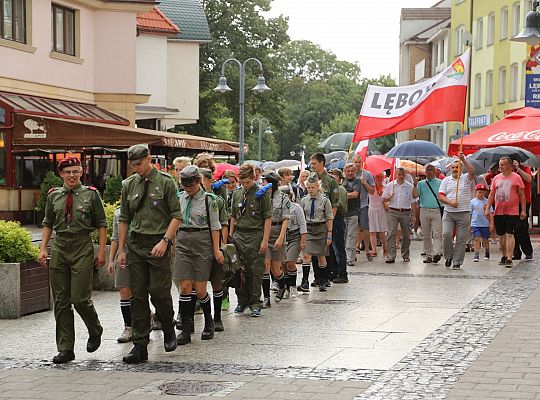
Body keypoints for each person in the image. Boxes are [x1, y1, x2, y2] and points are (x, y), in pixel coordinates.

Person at [38, 156, 107, 364]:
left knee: (79, 298)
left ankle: (95, 329)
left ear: (81, 173)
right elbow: (48, 223)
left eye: (75, 171)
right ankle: (66, 348)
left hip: (82, 247)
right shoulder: (54, 196)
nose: (71, 175)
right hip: (60, 247)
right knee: (61, 301)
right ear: (61, 174)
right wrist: (43, 249)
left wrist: (102, 252)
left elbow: (101, 224)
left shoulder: (91, 195)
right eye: (68, 172)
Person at [118, 144, 181, 364]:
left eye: (139, 163)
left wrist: (166, 240)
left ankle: (168, 325)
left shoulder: (166, 182)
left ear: (148, 159)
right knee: (137, 295)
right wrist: (122, 250)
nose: (135, 168)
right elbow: (124, 218)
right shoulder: (128, 185)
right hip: (136, 246)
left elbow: (176, 216)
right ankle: (140, 345)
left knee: (158, 291)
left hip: (158, 244)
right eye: (132, 164)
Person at [174, 166, 224, 345]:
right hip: (183, 242)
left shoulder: (208, 200)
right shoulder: (179, 197)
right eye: (184, 184)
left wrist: (217, 249)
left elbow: (215, 226)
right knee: (185, 287)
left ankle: (209, 322)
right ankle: (186, 330)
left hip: (203, 242)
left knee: (200, 289)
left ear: (198, 181)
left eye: (191, 184)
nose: (188, 188)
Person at [230, 163, 272, 317]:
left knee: (255, 270)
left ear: (254, 178)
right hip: (239, 235)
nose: (245, 185)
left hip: (256, 234)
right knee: (239, 269)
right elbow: (233, 216)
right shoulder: (237, 194)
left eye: (247, 182)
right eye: (242, 182)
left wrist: (265, 240)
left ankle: (255, 302)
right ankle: (242, 301)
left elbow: (267, 218)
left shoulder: (262, 193)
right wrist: (230, 237)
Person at [485, 157, 527, 268]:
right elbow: (491, 194)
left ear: (509, 166)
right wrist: (487, 208)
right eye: (499, 164)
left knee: (510, 234)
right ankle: (504, 256)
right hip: (499, 211)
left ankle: (509, 258)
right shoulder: (496, 178)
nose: (500, 166)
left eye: (502, 164)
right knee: (502, 236)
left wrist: (523, 210)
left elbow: (522, 195)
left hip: (512, 211)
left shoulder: (516, 177)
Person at [438, 153, 476, 270]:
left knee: (460, 238)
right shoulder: (446, 180)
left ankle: (457, 261)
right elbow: (440, 196)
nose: (455, 169)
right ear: (450, 169)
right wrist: (450, 203)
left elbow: (472, 172)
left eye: (457, 167)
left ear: (461, 168)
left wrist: (463, 159)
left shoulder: (466, 178)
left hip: (463, 212)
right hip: (449, 212)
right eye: (453, 168)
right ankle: (448, 256)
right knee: (446, 234)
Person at [308, 153, 339, 287]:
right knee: (314, 251)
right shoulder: (311, 178)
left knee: (325, 250)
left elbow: (335, 204)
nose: (312, 166)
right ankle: (317, 277)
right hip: (312, 222)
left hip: (326, 221)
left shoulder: (330, 181)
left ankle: (326, 277)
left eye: (314, 163)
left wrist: (328, 221)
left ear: (321, 163)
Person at [260, 170, 290, 306]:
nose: (262, 183)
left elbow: (285, 220)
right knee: (265, 266)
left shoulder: (284, 198)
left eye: (264, 181)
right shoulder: (262, 197)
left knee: (276, 269)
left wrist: (281, 238)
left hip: (278, 231)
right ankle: (266, 298)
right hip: (265, 233)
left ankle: (283, 285)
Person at [299, 173, 334, 291]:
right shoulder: (304, 201)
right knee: (306, 255)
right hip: (308, 229)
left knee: (321, 256)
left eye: (313, 187)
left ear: (318, 187)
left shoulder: (325, 201)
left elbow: (329, 218)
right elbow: (301, 217)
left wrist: (329, 234)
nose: (310, 190)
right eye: (308, 187)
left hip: (321, 229)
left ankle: (323, 280)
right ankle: (304, 281)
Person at [107, 204, 132, 343]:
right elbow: (115, 237)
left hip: (141, 254)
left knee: (139, 292)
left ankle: (148, 318)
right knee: (124, 291)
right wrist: (111, 260)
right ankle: (128, 327)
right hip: (123, 255)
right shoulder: (118, 212)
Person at [382, 167, 418, 263]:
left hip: (405, 212)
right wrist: (389, 197)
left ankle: (405, 254)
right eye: (399, 174)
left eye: (403, 174)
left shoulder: (409, 186)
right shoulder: (390, 185)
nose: (401, 176)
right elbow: (383, 199)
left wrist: (414, 216)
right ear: (396, 175)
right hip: (393, 211)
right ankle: (391, 256)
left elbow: (414, 202)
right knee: (391, 233)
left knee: (406, 234)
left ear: (405, 175)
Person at [281, 185, 307, 298]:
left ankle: (293, 287)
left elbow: (302, 224)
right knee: (283, 264)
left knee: (290, 262)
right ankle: (286, 287)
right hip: (282, 237)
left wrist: (303, 240)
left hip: (294, 236)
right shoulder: (278, 209)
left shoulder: (296, 208)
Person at [415, 164, 443, 264]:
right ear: (425, 172)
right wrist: (415, 185)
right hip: (424, 210)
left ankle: (436, 253)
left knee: (437, 233)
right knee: (426, 234)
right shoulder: (421, 184)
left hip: (436, 210)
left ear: (435, 172)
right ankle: (429, 255)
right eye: (427, 170)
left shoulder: (441, 183)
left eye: (431, 170)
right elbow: (415, 195)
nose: (429, 172)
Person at [352, 155, 375, 261]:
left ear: (362, 163)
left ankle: (367, 250)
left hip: (363, 204)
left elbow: (372, 191)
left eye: (359, 162)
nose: (357, 164)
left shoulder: (367, 174)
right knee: (353, 229)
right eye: (355, 162)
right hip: (352, 206)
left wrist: (364, 183)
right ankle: (353, 250)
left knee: (365, 228)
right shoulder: (349, 173)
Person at [328, 168, 349, 283]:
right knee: (332, 249)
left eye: (334, 176)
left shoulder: (339, 189)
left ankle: (342, 273)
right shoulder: (333, 189)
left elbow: (338, 206)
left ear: (340, 178)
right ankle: (334, 271)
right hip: (333, 219)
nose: (332, 178)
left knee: (339, 248)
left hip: (337, 219)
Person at [512, 160, 533, 260]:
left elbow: (529, 179)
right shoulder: (508, 171)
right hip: (512, 202)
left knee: (522, 227)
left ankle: (528, 251)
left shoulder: (525, 168)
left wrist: (518, 169)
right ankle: (516, 252)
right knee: (512, 229)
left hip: (524, 202)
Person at [342, 163, 361, 266]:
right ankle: (345, 256)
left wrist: (342, 194)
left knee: (351, 236)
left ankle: (350, 259)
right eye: (348, 171)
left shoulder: (357, 181)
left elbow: (355, 194)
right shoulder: (342, 181)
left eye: (352, 171)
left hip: (353, 212)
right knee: (343, 237)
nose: (350, 173)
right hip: (342, 213)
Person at [470, 184, 493, 262]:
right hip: (475, 223)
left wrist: (491, 223)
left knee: (485, 239)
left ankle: (487, 251)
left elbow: (491, 213)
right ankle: (476, 254)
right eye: (479, 192)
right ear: (476, 192)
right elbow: (470, 213)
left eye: (483, 192)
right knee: (476, 238)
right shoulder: (472, 202)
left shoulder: (487, 202)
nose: (481, 194)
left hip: (485, 224)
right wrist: (469, 223)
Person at [368, 172, 388, 258]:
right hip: (372, 209)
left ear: (384, 178)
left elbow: (386, 199)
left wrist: (388, 197)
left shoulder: (385, 187)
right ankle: (374, 250)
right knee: (372, 231)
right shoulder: (371, 187)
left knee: (382, 231)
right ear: (375, 178)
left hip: (381, 210)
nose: (379, 178)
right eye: (378, 177)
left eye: (381, 177)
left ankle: (385, 248)